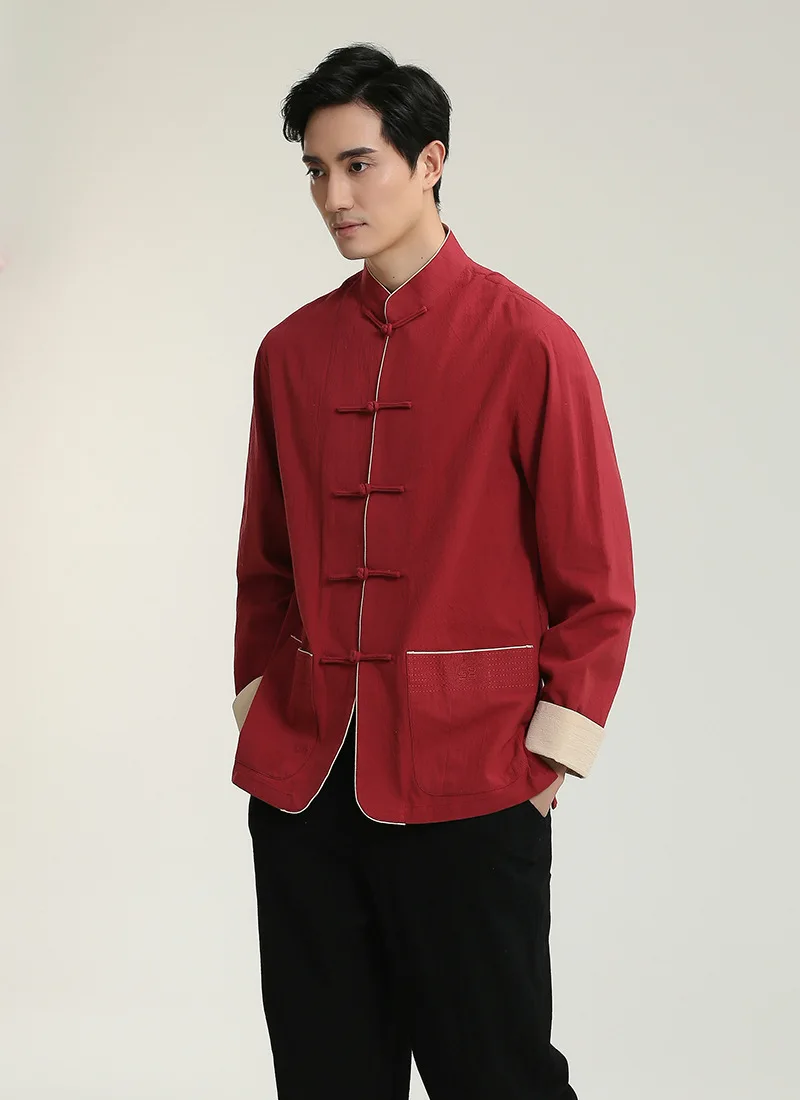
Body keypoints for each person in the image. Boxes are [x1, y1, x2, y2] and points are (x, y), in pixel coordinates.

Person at [231, 41, 636, 1100]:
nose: (334, 196)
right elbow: (264, 565)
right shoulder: (289, 352)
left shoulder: (530, 343)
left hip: (476, 783)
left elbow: (596, 581)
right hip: (305, 786)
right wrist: (262, 704)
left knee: (495, 1075)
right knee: (323, 1076)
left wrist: (544, 767)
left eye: (358, 164)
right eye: (316, 170)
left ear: (430, 162)